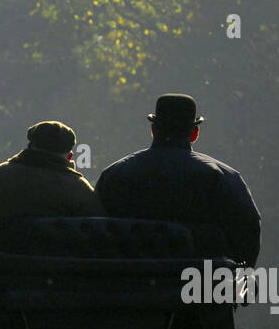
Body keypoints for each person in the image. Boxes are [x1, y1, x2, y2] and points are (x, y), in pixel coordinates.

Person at [95, 94, 260, 265]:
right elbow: (248, 233)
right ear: (194, 133)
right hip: (201, 286)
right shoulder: (223, 177)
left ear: (153, 131)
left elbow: (95, 230)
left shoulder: (115, 175)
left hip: (125, 284)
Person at [0, 120, 101, 271]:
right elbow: (101, 237)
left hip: (0, 281)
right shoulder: (80, 189)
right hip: (61, 285)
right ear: (69, 156)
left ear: (30, 146)